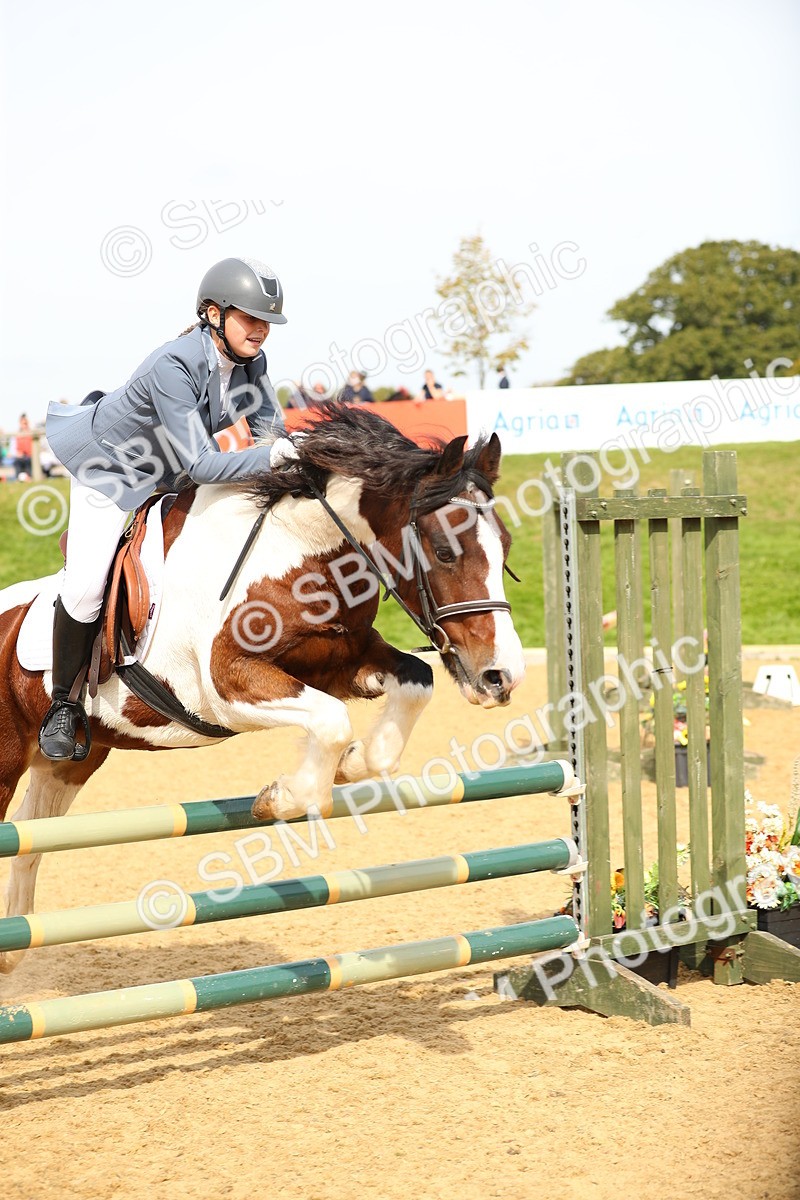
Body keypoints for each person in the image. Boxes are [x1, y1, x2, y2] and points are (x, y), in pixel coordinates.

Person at [39, 256, 298, 762]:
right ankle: (63, 706)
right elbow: (203, 464)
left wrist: (295, 459)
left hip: (165, 473)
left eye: (267, 321)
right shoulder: (174, 364)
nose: (262, 330)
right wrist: (272, 456)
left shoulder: (251, 364)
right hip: (109, 471)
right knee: (88, 584)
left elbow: (274, 432)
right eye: (251, 317)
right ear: (213, 314)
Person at [12, 414, 34, 479]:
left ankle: (29, 478)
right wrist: (18, 453)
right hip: (20, 457)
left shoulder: (32, 434)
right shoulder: (17, 435)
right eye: (23, 424)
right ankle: (18, 479)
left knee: (28, 461)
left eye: (25, 423)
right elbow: (13, 449)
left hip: (29, 456)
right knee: (17, 461)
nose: (24, 425)